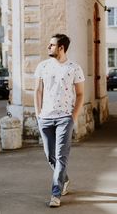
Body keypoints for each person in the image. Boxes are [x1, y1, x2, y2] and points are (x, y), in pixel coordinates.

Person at [34, 33, 85, 208]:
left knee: (61, 156)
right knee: (50, 156)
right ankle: (65, 179)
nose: (48, 47)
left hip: (64, 118)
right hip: (45, 118)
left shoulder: (74, 68)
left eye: (52, 45)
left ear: (61, 48)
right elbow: (38, 91)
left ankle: (55, 194)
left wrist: (73, 117)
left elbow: (80, 94)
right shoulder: (43, 66)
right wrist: (38, 114)